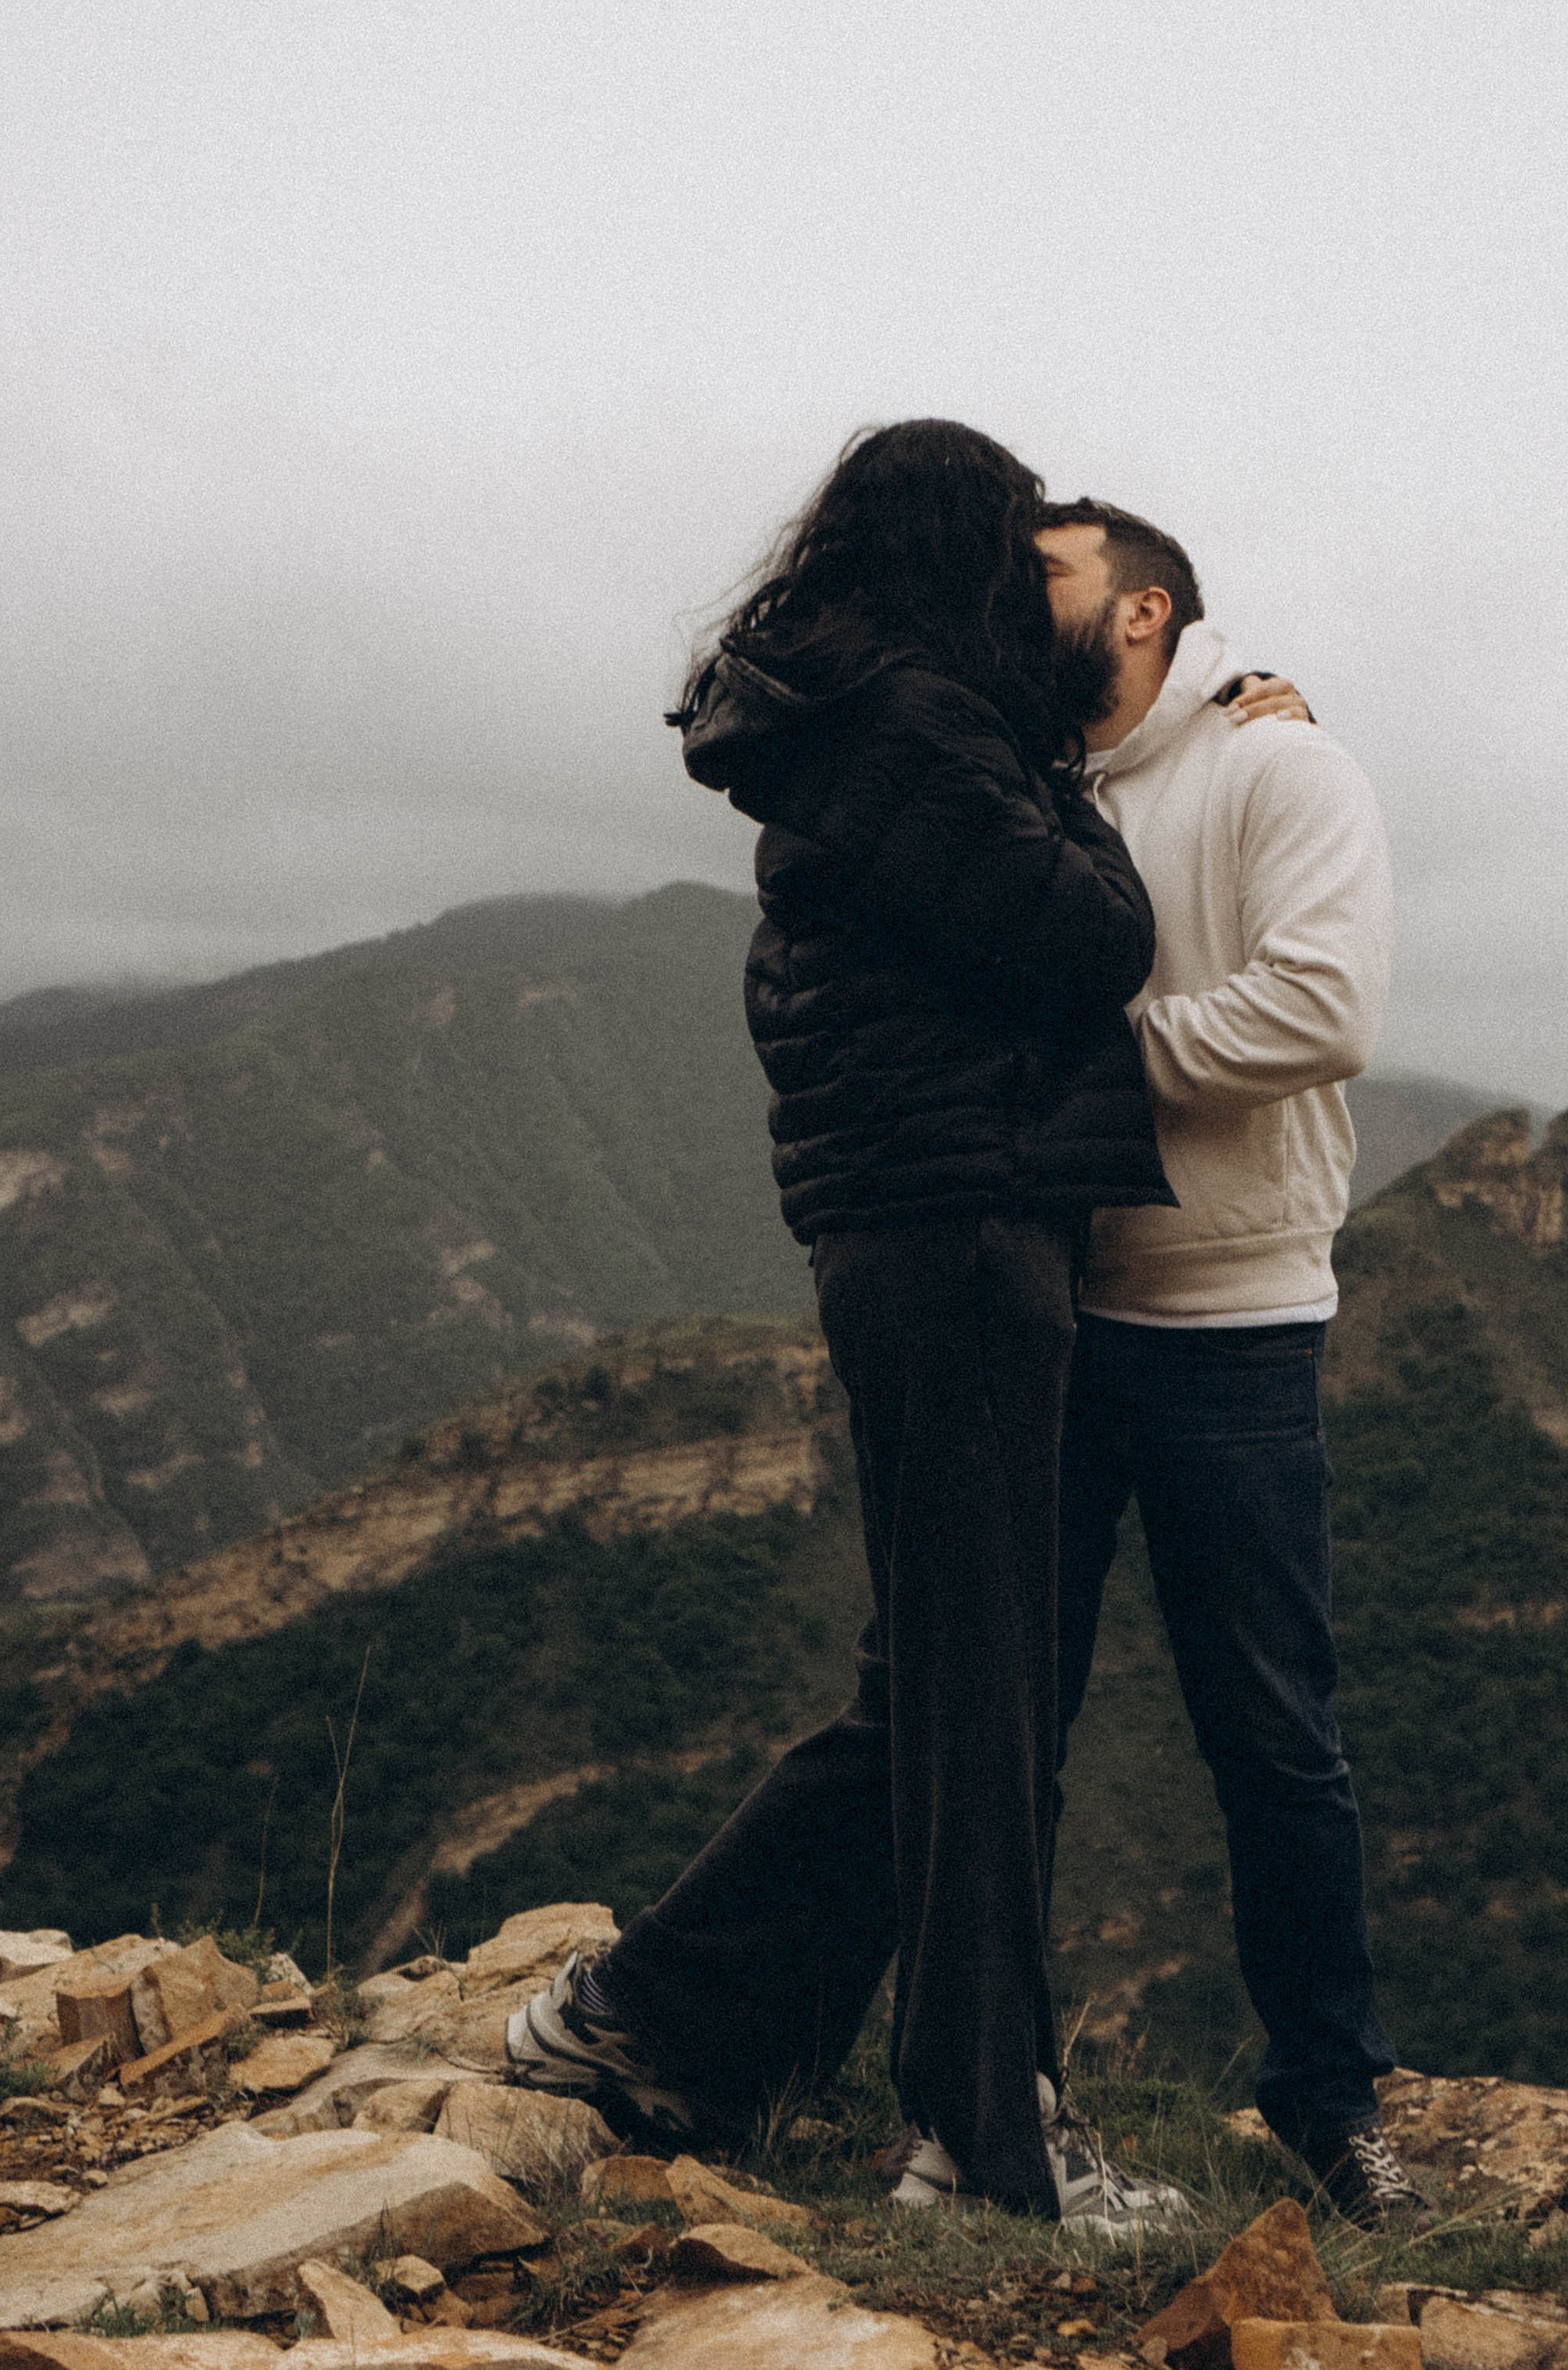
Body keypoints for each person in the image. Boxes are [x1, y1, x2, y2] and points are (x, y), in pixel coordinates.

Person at [502, 422, 1188, 2225]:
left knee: (934, 1686)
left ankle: (648, 2023)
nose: (1033, 588)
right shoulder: (917, 727)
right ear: (959, 545)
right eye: (1019, 552)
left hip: (927, 1219)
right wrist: (1081, 779)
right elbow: (1094, 937)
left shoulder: (859, 719)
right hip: (958, 1223)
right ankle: (982, 2141)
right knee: (976, 1698)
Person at [1029, 499, 1428, 2226]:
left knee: (1269, 1729)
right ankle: (994, 2091)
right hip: (1039, 1312)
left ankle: (1328, 2105)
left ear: (1142, 610)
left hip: (1229, 1323)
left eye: (1035, 574)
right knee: (1002, 1726)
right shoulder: (1016, 785)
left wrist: (1077, 1069)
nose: (1002, 601)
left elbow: (1321, 1010)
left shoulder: (1279, 771)